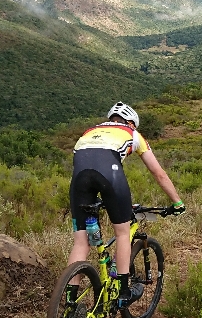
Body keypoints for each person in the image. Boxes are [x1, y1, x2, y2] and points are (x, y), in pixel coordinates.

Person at [68, 102, 185, 305]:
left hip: (79, 179)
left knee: (81, 242)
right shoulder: (132, 133)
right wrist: (177, 202)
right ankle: (122, 292)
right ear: (131, 122)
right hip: (109, 176)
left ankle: (69, 299)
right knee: (122, 233)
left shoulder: (89, 131)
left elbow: (85, 163)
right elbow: (158, 173)